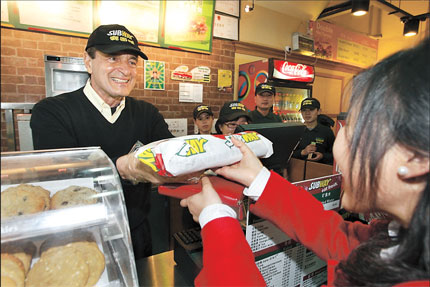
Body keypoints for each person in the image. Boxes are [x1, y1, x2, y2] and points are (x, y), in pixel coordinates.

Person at [180, 39, 430, 286]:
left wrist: (215, 221)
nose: (339, 143)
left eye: (355, 129)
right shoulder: (392, 240)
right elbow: (334, 236)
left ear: (415, 157)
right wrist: (259, 178)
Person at [30, 24, 175, 260]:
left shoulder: (147, 113)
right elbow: (62, 178)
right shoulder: (52, 112)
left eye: (131, 61)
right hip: (78, 240)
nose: (125, 70)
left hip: (135, 234)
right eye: (112, 58)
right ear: (88, 61)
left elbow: (171, 153)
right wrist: (122, 167)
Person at [292, 97, 335, 164]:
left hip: (320, 170)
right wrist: (303, 152)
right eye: (304, 110)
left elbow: (335, 155)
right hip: (298, 170)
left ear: (319, 111)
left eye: (311, 110)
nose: (307, 113)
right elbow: (286, 155)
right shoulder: (295, 131)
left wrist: (322, 156)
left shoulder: (327, 132)